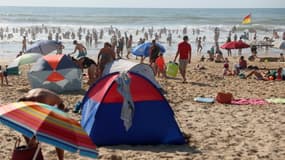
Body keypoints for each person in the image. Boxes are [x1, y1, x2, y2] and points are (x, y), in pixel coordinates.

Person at [18, 88, 65, 160]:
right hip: (44, 101)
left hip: (58, 106)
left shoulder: (41, 100)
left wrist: (33, 138)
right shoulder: (27, 99)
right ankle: (34, 152)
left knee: (57, 135)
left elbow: (41, 121)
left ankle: (61, 158)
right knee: (26, 132)